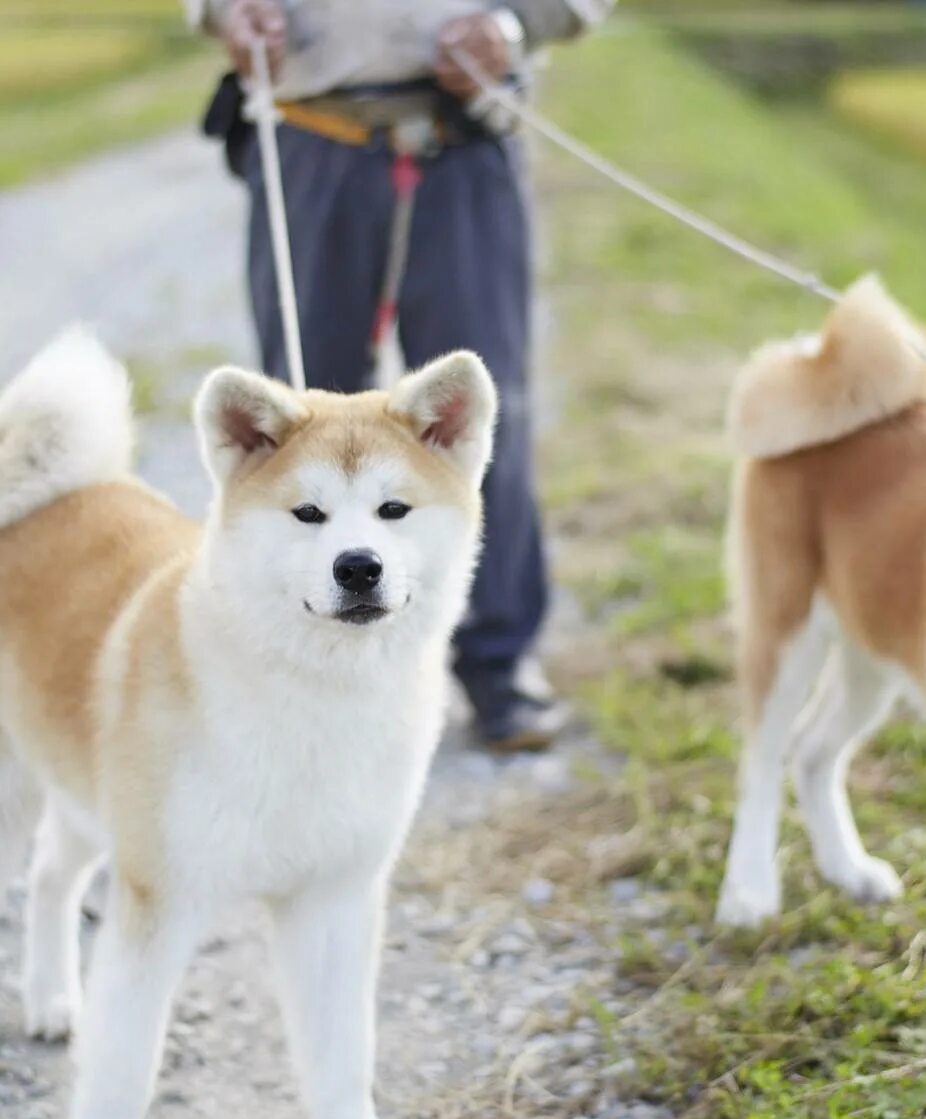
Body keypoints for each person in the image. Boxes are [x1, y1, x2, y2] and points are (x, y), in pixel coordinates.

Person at [188, 0, 610, 752]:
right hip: (310, 131)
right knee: (294, 435)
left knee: (475, 420)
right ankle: (295, 681)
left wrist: (517, 25)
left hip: (469, 131)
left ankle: (498, 663)